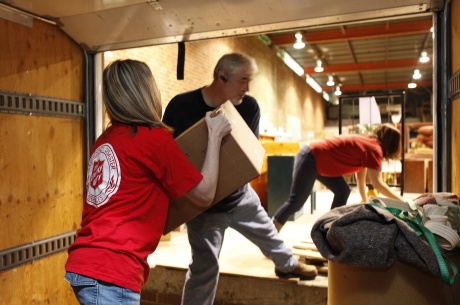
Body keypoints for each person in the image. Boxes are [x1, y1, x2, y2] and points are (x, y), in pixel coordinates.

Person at [64, 59, 232, 305]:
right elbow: (205, 194)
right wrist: (215, 135)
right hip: (113, 269)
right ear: (146, 92)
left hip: (87, 262)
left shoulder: (105, 141)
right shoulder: (153, 138)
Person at [162, 52, 318, 305]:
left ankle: (287, 265)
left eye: (250, 81)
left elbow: (244, 156)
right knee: (204, 268)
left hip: (239, 197)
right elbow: (167, 155)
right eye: (243, 80)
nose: (247, 88)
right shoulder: (181, 107)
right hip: (204, 207)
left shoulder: (248, 107)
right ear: (221, 76)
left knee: (270, 235)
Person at [272, 124, 406, 232]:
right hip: (311, 157)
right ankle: (271, 234)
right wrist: (403, 203)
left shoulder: (369, 145)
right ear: (392, 145)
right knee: (295, 202)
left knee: (343, 191)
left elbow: (361, 179)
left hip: (317, 160)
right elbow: (378, 184)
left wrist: (365, 203)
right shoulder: (374, 149)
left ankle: (329, 228)